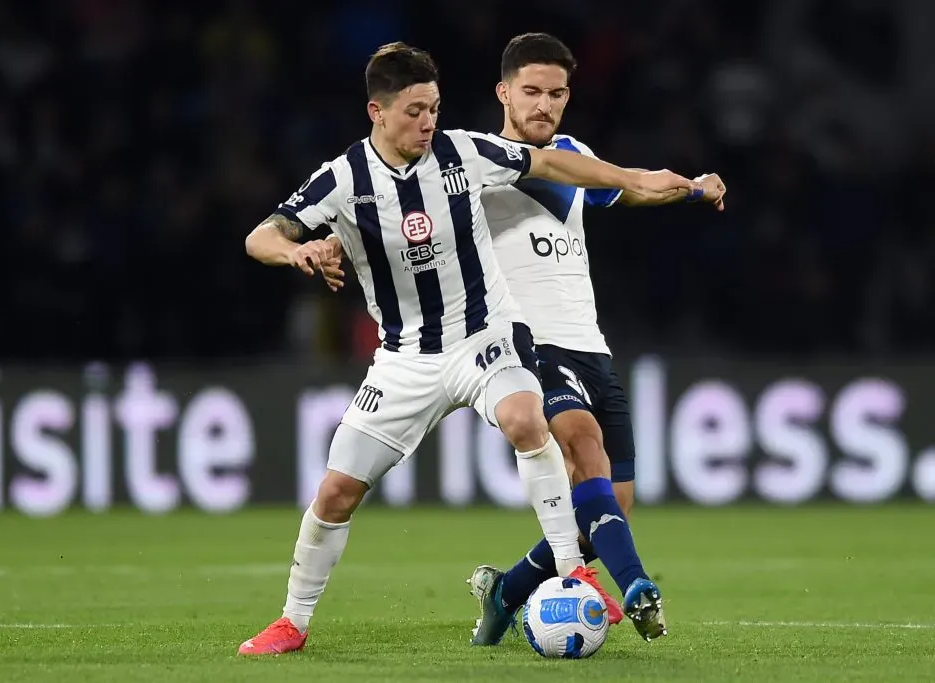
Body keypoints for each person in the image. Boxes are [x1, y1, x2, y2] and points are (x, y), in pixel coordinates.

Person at [238, 41, 697, 656]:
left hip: (486, 336)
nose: (428, 122)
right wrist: (298, 251)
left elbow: (552, 165)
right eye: (414, 111)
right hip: (405, 359)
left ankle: (572, 569)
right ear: (377, 111)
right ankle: (292, 621)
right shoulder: (343, 179)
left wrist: (633, 177)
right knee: (336, 493)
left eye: (434, 108)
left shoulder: (463, 152)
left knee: (524, 418)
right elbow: (260, 237)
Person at [465, 33, 727, 645]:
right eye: (530, 92)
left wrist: (690, 185)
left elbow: (626, 188)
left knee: (615, 499)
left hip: (590, 343)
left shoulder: (572, 152)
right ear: (503, 92)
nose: (543, 105)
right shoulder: (474, 162)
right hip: (526, 342)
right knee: (583, 447)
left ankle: (505, 591)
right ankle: (636, 587)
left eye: (556, 94)